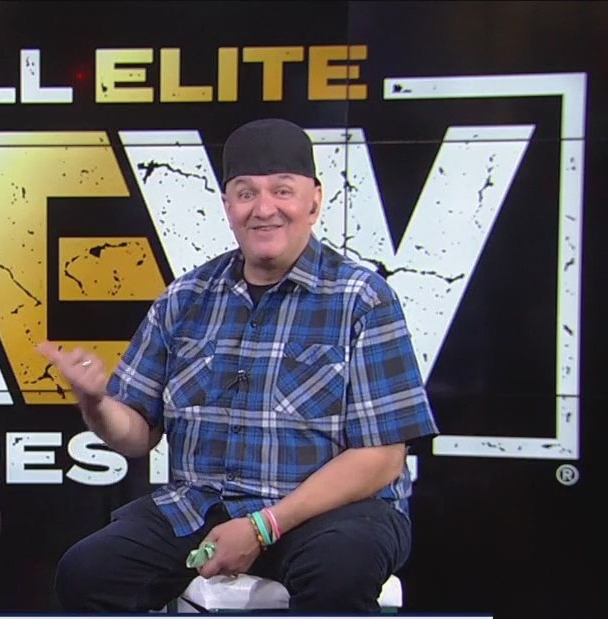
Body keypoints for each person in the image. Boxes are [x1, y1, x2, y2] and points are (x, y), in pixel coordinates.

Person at [39, 118, 439, 614]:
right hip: (202, 507)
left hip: (331, 514)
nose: (264, 209)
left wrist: (263, 526)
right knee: (87, 572)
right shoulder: (186, 297)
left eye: (282, 191)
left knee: (339, 569)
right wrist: (96, 402)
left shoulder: (363, 298)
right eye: (246, 193)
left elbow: (382, 458)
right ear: (228, 205)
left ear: (314, 201)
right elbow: (137, 435)